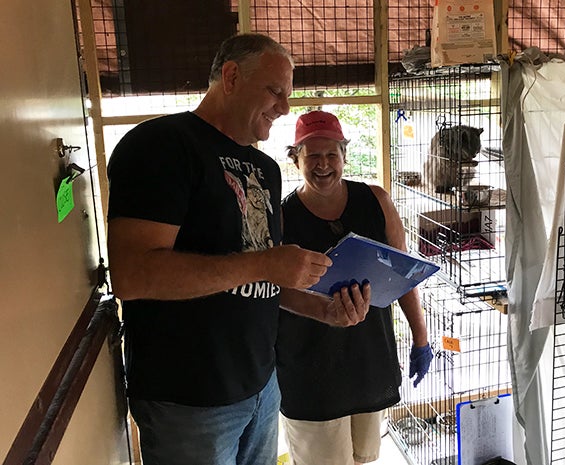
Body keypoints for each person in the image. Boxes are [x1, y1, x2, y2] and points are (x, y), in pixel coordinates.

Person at [106, 34, 370, 465]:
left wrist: (322, 310)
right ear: (230, 77)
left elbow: (262, 279)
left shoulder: (265, 168)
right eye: (275, 91)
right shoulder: (161, 145)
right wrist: (266, 262)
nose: (284, 107)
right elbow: (133, 276)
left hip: (261, 387)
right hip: (189, 399)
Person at [277, 110, 434, 465]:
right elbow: (272, 291)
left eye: (332, 154)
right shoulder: (283, 216)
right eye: (312, 155)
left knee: (364, 457)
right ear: (295, 158)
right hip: (310, 368)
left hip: (368, 360)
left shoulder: (375, 200)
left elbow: (404, 274)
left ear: (344, 156)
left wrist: (421, 339)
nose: (323, 164)